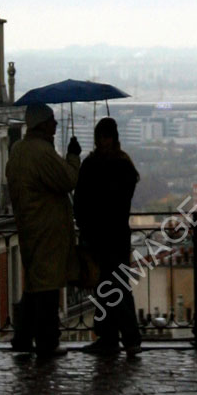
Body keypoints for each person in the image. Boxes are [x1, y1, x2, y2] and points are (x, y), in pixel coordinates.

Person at [6, 103, 81, 357]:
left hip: (29, 225)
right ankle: (47, 341)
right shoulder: (41, 152)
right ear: (43, 124)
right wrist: (73, 157)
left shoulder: (18, 150)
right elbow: (68, 180)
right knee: (47, 287)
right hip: (47, 228)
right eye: (52, 120)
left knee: (34, 285)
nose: (55, 125)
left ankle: (23, 336)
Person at [73, 117, 142, 356]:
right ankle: (122, 337)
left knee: (108, 287)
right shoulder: (124, 166)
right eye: (101, 136)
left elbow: (80, 201)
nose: (103, 141)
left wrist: (85, 224)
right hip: (116, 235)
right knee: (114, 287)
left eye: (105, 136)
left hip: (99, 235)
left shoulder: (91, 165)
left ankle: (116, 337)